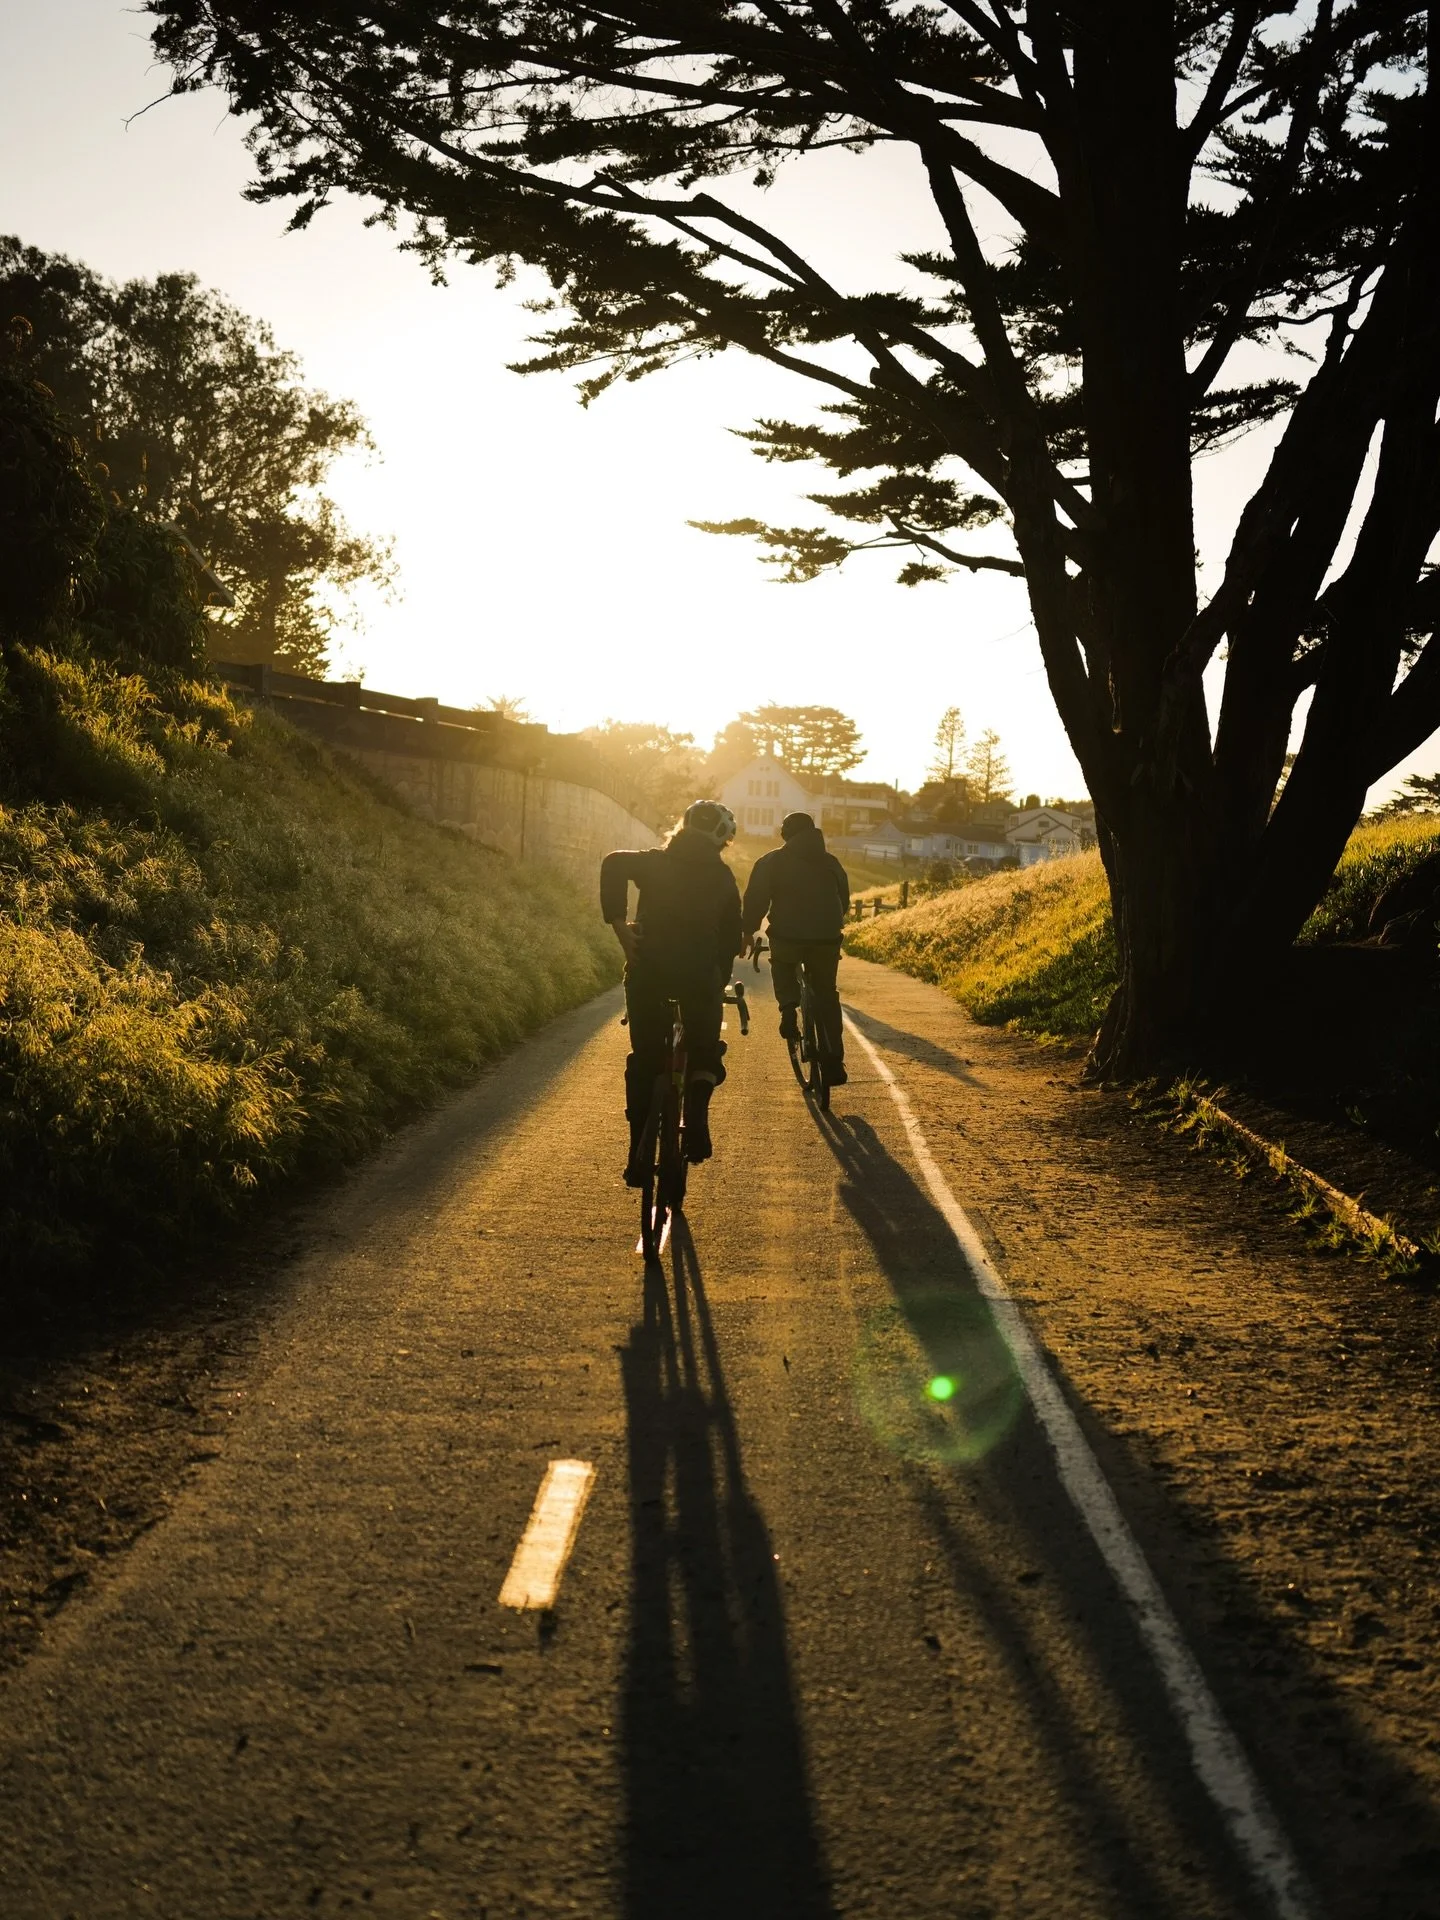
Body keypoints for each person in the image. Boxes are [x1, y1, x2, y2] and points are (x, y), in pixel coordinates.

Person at [600, 799, 742, 1184]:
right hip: (698, 979)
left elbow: (613, 862)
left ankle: (637, 1155)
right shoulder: (723, 879)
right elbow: (732, 938)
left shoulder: (652, 862)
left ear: (682, 828)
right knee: (705, 1053)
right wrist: (719, 977)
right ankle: (695, 1114)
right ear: (722, 841)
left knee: (645, 1061)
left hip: (649, 973)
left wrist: (619, 924)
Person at [741, 811, 851, 1084]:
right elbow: (844, 901)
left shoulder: (772, 861)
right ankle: (834, 1061)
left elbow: (757, 899)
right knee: (826, 994)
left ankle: (788, 1009)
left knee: (782, 963)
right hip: (826, 938)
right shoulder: (831, 861)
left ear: (785, 834)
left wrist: (747, 931)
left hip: (787, 936)